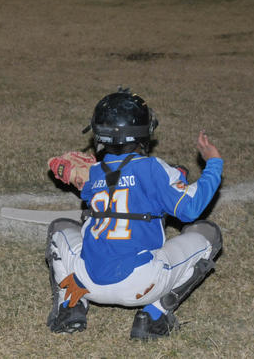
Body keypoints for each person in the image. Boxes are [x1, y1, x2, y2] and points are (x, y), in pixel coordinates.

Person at [45, 88, 224, 339]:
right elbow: (190, 208)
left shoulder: (95, 173)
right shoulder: (152, 168)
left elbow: (96, 185)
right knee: (207, 232)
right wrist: (213, 163)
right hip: (141, 283)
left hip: (88, 281)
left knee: (60, 228)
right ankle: (155, 314)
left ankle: (70, 305)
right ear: (143, 133)